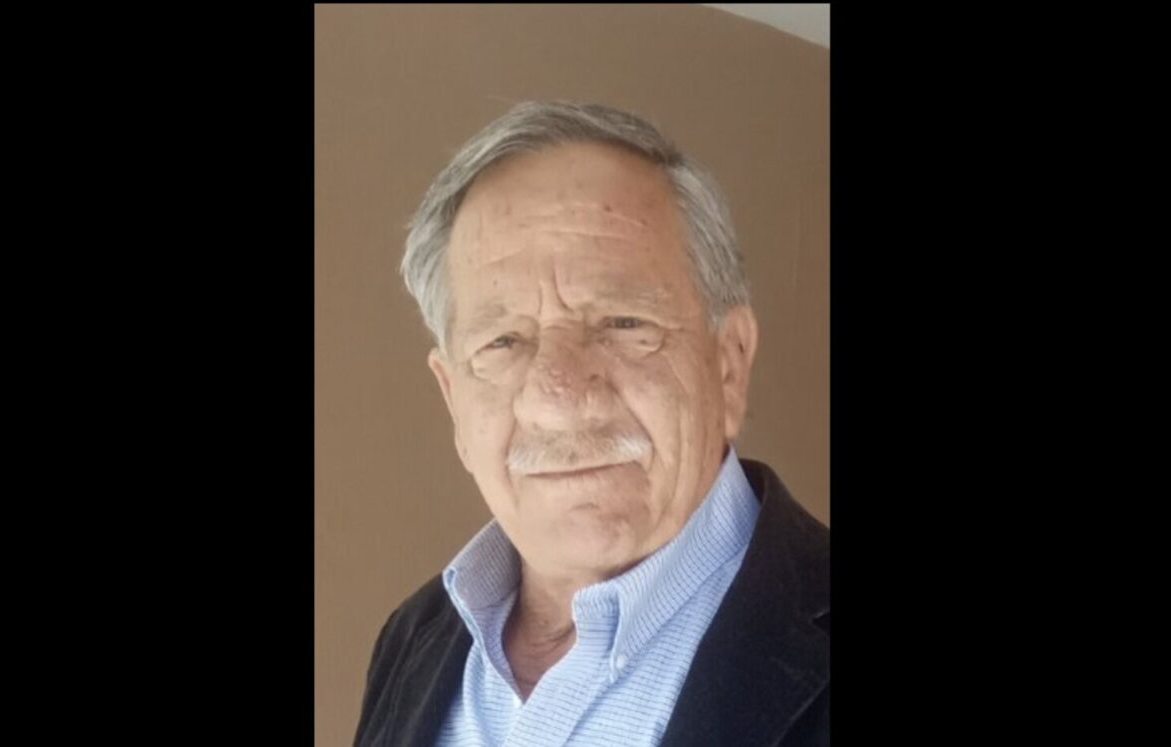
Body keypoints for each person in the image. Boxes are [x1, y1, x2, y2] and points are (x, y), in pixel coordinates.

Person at [353, 101, 828, 747]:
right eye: (502, 342)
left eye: (622, 324)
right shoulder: (412, 638)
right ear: (453, 397)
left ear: (728, 364)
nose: (562, 399)